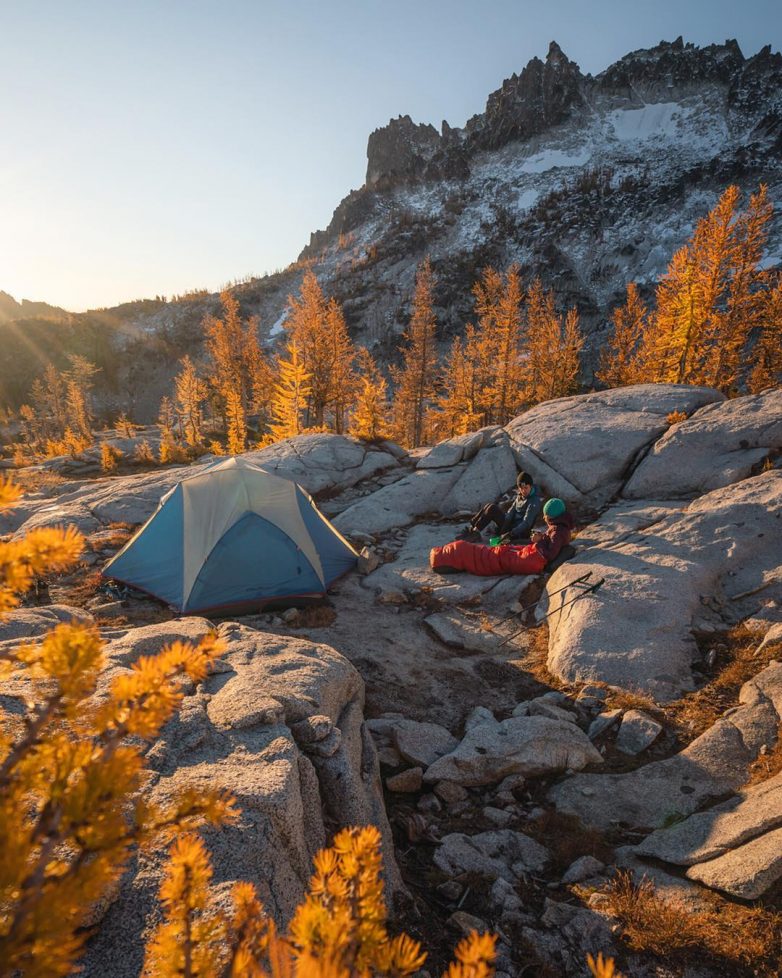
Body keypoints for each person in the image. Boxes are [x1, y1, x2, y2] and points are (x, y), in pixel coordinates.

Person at [431, 497, 575, 576]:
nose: (544, 518)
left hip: (528, 550)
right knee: (492, 551)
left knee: (489, 555)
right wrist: (541, 538)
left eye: (546, 516)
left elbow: (549, 554)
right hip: (529, 549)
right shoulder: (558, 528)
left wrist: (539, 540)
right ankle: (471, 532)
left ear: (553, 517)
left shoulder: (556, 531)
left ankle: (450, 555)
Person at [457, 471, 542, 543]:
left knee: (492, 509)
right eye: (521, 488)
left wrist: (509, 534)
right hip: (510, 526)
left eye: (526, 488)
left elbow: (526, 523)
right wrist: (504, 527)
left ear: (530, 486)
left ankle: (475, 533)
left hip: (518, 532)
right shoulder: (520, 496)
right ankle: (472, 529)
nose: (523, 490)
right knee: (489, 505)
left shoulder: (534, 501)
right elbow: (511, 512)